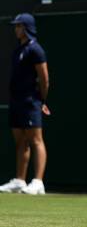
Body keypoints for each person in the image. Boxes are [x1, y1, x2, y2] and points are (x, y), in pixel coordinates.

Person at [0, 14, 50, 195]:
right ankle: (20, 181)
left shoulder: (36, 50)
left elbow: (44, 79)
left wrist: (42, 100)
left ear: (27, 28)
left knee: (36, 140)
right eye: (15, 26)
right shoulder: (18, 50)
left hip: (31, 101)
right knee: (21, 141)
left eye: (19, 26)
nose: (16, 29)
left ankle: (38, 182)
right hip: (17, 101)